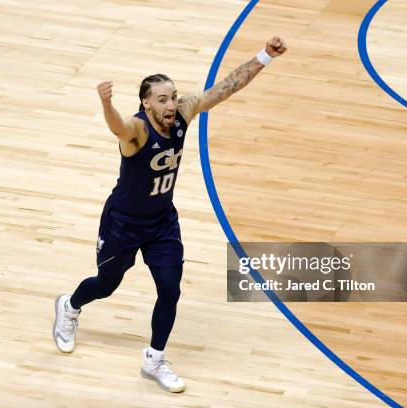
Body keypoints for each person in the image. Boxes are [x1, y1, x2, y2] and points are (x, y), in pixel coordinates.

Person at [53, 36, 287, 393]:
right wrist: (106, 103)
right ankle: (69, 306)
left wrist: (265, 57)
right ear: (145, 103)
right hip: (123, 224)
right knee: (106, 285)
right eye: (162, 98)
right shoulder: (136, 130)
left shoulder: (182, 113)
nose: (170, 103)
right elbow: (117, 127)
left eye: (173, 96)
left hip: (162, 223)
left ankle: (154, 359)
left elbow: (225, 88)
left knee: (169, 289)